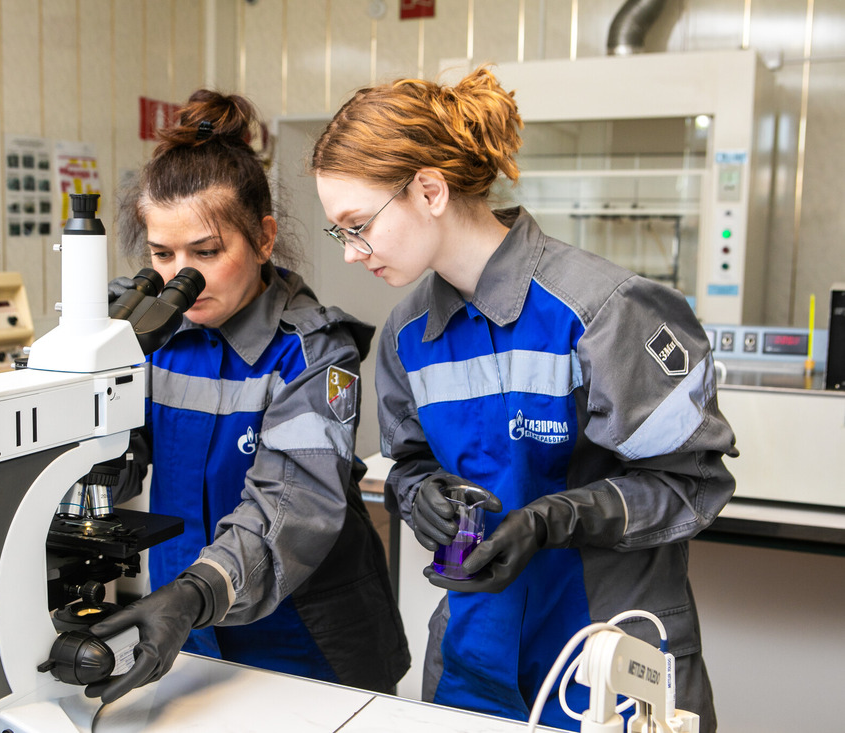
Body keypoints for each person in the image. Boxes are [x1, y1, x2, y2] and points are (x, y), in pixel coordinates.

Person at [311, 66, 737, 731]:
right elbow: (411, 461)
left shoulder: (602, 310)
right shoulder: (407, 335)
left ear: (428, 189)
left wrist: (554, 519)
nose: (350, 253)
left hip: (606, 664)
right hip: (472, 662)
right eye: (341, 232)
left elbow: (692, 483)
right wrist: (420, 495)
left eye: (357, 224)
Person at [84, 89, 409, 704]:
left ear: (263, 239)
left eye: (207, 252)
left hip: (309, 640)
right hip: (187, 626)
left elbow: (293, 504)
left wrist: (194, 592)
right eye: (162, 255)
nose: (185, 276)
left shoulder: (314, 353)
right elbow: (116, 462)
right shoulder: (147, 339)